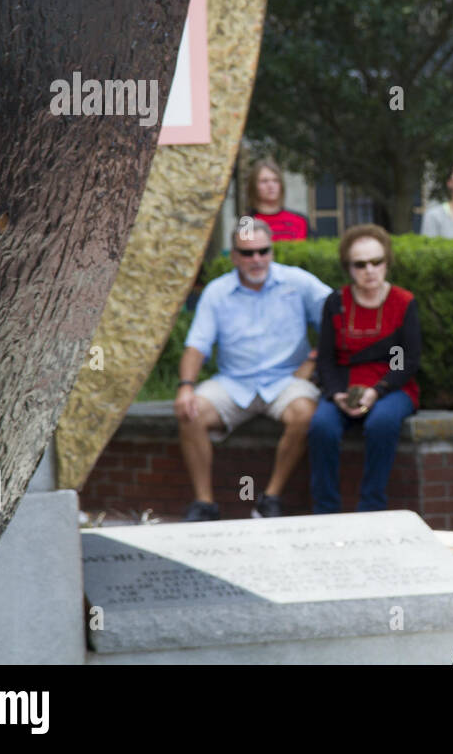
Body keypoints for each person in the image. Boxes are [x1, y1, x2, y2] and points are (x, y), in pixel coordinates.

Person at [176, 218, 332, 520]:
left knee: (306, 414)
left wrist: (314, 358)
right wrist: (185, 385)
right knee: (189, 412)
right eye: (247, 253)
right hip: (234, 382)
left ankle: (270, 498)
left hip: (286, 380)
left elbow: (338, 313)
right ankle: (205, 503)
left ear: (272, 251)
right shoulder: (216, 292)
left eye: (263, 251)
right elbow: (197, 345)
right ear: (234, 256)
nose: (257, 259)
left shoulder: (297, 281)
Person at [308, 224, 420, 513]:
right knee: (321, 426)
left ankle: (371, 507)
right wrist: (335, 395)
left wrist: (378, 390)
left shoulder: (404, 302)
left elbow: (408, 360)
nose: (369, 270)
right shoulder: (336, 302)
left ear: (387, 263)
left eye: (376, 262)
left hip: (391, 386)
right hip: (344, 386)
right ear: (349, 267)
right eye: (360, 264)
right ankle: (326, 511)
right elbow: (326, 359)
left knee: (381, 423)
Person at [246, 158, 311, 241]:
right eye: (264, 181)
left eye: (275, 181)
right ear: (254, 186)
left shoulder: (300, 220)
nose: (271, 185)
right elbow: (244, 253)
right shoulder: (246, 223)